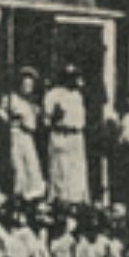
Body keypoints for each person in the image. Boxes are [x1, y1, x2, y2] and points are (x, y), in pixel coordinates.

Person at [44, 68, 90, 203]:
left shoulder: (78, 96)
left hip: (76, 136)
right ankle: (59, 201)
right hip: (60, 135)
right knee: (60, 171)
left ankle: (77, 201)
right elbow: (46, 121)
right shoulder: (54, 94)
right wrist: (55, 117)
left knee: (77, 172)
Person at [4, 70, 47, 200]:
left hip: (28, 136)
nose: (28, 88)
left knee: (32, 165)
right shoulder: (12, 99)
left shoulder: (31, 104)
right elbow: (1, 114)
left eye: (31, 86)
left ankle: (32, 195)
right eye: (26, 85)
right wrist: (12, 120)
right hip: (16, 135)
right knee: (18, 166)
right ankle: (18, 194)